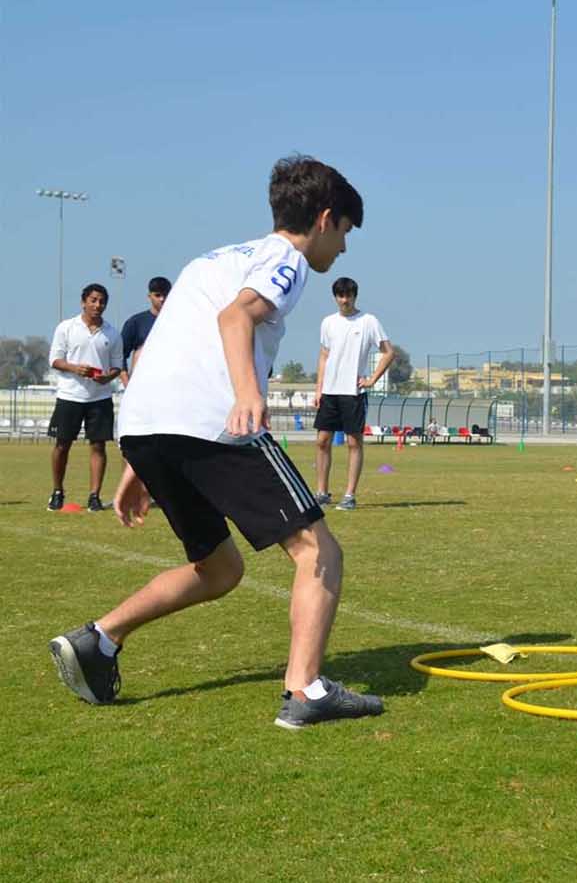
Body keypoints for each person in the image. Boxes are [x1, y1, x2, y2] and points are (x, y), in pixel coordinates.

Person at [48, 155, 383, 730]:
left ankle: (98, 640)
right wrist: (248, 394)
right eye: (346, 232)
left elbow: (165, 349)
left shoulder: (210, 260)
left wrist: (140, 461)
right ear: (325, 218)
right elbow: (237, 318)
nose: (344, 248)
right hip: (214, 423)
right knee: (319, 551)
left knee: (219, 568)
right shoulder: (287, 259)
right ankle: (305, 690)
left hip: (149, 424)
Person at [313, 277, 393, 509]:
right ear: (335, 297)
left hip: (353, 392)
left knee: (353, 443)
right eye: (340, 295)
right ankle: (322, 493)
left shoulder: (368, 321)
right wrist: (318, 388)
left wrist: (372, 379)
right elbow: (324, 356)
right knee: (322, 441)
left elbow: (388, 352)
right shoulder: (328, 322)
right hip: (329, 392)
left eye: (348, 295)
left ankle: (349, 496)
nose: (344, 300)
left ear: (355, 296)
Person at [47, 283, 124, 512]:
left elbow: (117, 366)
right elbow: (54, 360)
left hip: (100, 398)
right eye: (93, 300)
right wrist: (74, 368)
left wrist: (108, 377)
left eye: (102, 301)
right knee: (62, 445)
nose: (97, 305)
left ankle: (94, 496)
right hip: (70, 396)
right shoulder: (66, 327)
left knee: (98, 446)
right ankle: (57, 492)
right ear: (83, 302)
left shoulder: (112, 333)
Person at [119, 276, 172, 386]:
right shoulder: (136, 322)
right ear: (149, 296)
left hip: (171, 384)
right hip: (142, 384)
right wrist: (127, 383)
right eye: (157, 295)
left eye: (166, 295)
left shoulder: (179, 322)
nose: (162, 299)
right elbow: (119, 355)